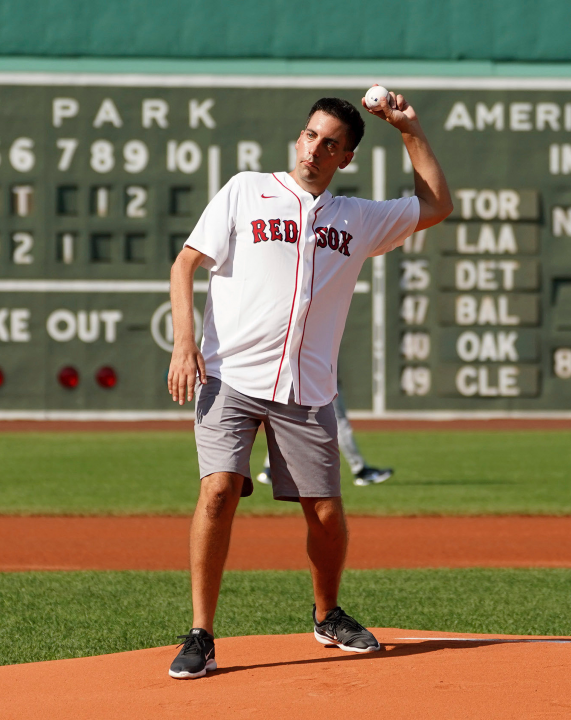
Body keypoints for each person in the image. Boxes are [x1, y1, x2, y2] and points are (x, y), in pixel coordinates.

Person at [165, 89, 452, 679]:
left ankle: (327, 615)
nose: (314, 149)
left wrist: (408, 128)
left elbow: (437, 203)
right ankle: (200, 633)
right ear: (298, 138)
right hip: (230, 375)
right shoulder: (246, 190)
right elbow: (185, 263)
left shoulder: (358, 218)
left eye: (330, 144)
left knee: (324, 514)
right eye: (309, 135)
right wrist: (183, 342)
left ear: (345, 158)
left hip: (307, 387)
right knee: (218, 490)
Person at [256, 380, 393, 487]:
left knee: (288, 422)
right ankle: (361, 470)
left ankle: (270, 469)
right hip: (321, 378)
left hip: (296, 378)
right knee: (338, 422)